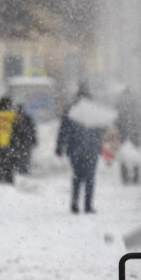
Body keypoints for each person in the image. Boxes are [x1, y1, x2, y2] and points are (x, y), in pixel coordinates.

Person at [56, 85, 104, 213]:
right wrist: (100, 147)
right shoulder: (94, 110)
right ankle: (88, 205)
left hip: (74, 149)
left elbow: (63, 130)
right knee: (90, 178)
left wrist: (59, 147)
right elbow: (101, 130)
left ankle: (75, 203)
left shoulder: (70, 109)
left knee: (76, 176)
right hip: (91, 149)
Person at [11, 104, 38, 175]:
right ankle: (24, 170)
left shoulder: (14, 118)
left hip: (17, 141)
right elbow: (33, 130)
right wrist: (34, 140)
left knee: (18, 155)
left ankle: (19, 169)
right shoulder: (28, 118)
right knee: (26, 156)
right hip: (26, 140)